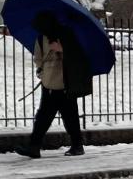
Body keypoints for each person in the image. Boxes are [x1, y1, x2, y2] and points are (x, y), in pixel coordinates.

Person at [18, 16, 94, 157]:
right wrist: (41, 71)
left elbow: (80, 53)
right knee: (51, 115)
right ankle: (37, 146)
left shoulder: (67, 34)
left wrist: (62, 48)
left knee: (61, 115)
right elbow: (38, 58)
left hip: (65, 82)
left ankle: (73, 146)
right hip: (49, 83)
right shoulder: (41, 38)